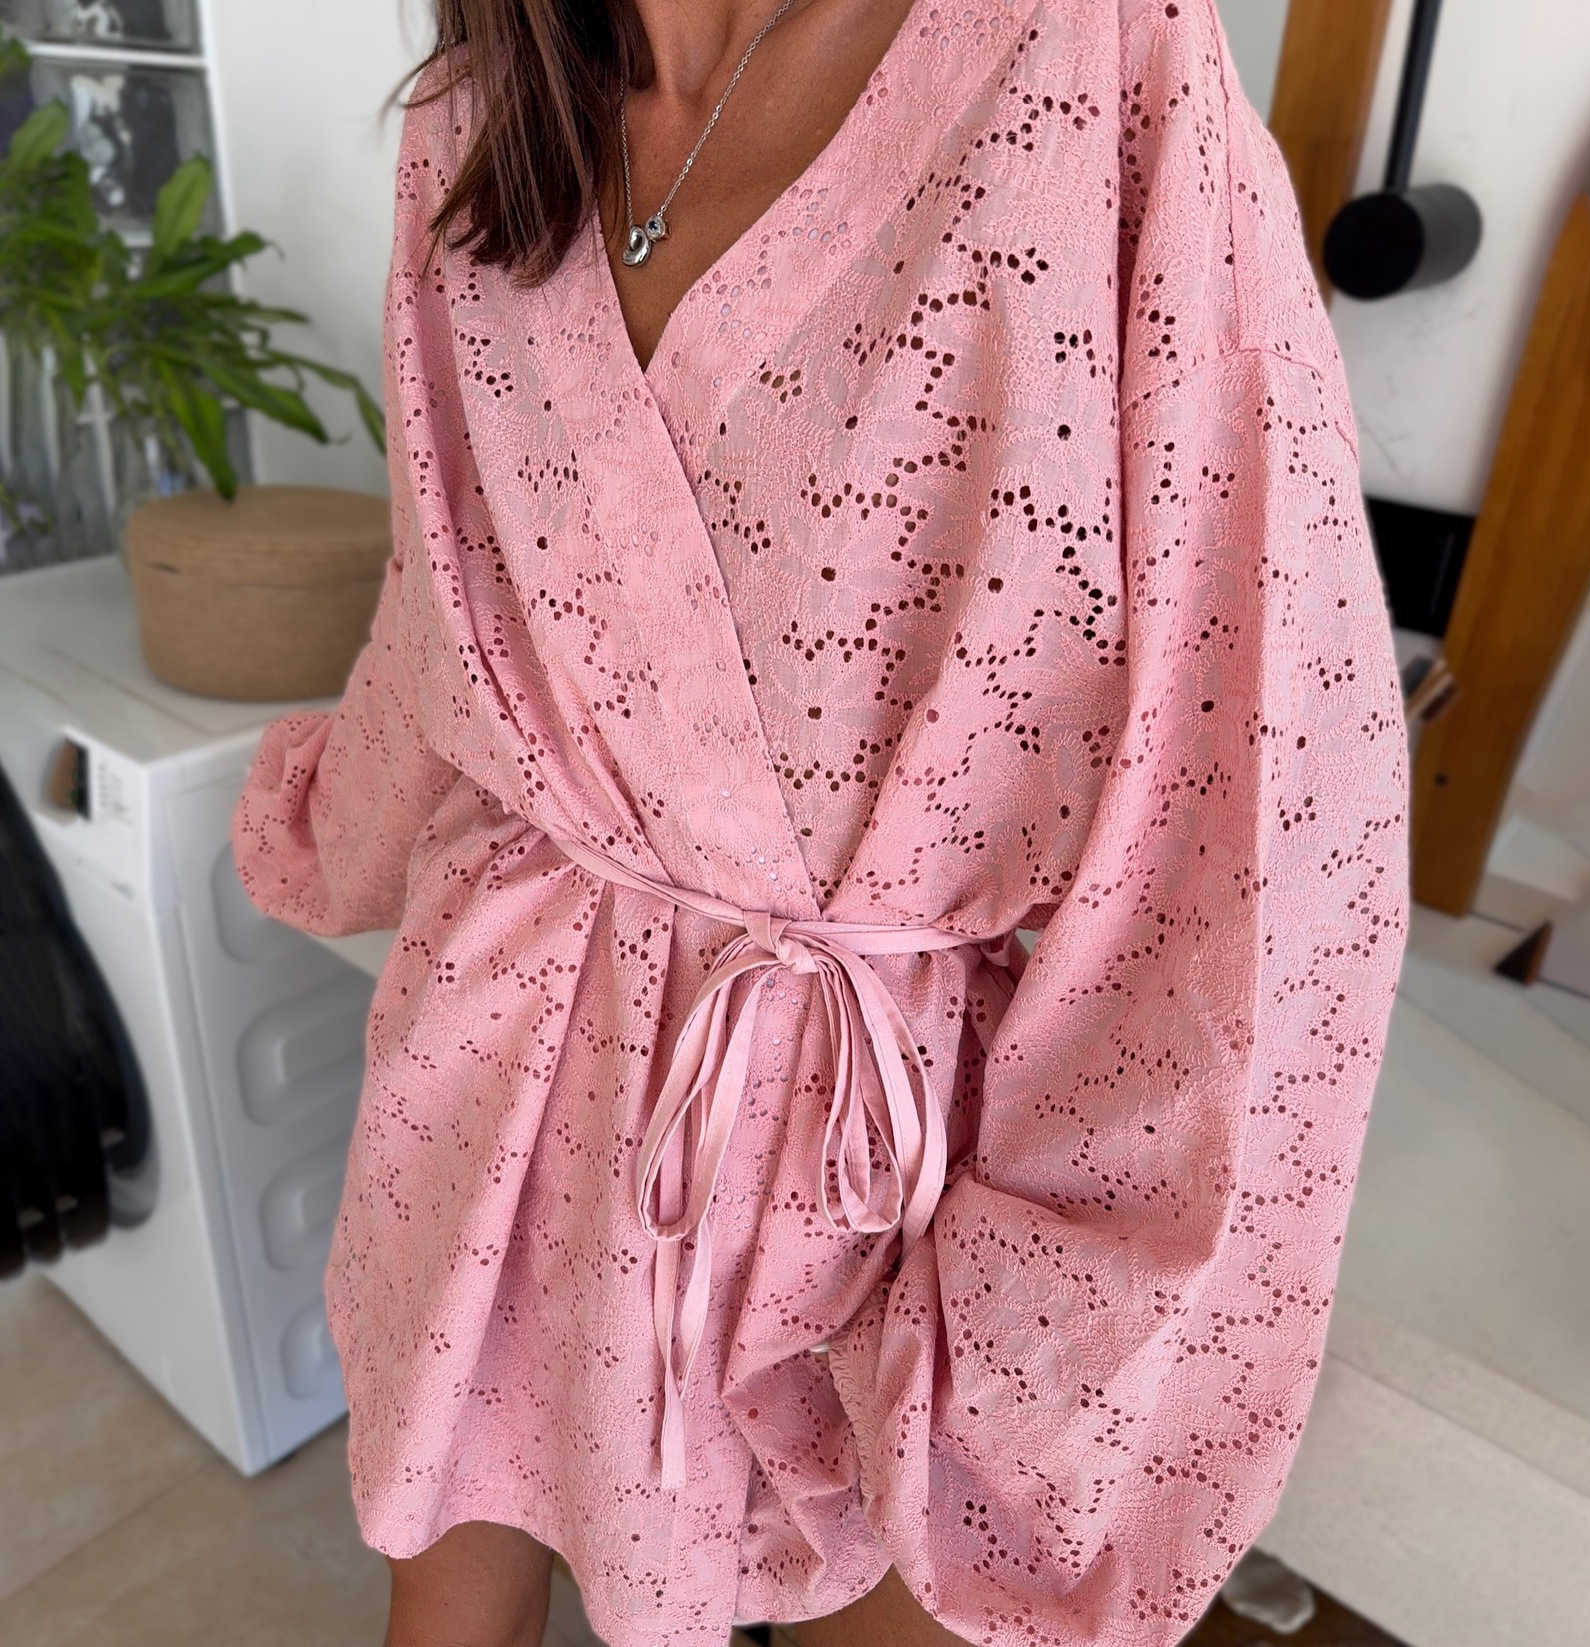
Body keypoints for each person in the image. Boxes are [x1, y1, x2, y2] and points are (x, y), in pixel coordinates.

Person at [234, 1, 1409, 1643]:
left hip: (891, 1157)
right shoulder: (482, 112)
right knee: (442, 1602)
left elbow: (1263, 787)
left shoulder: (1092, 65)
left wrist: (1060, 1301)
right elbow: (445, 595)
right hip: (502, 1060)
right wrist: (336, 827)